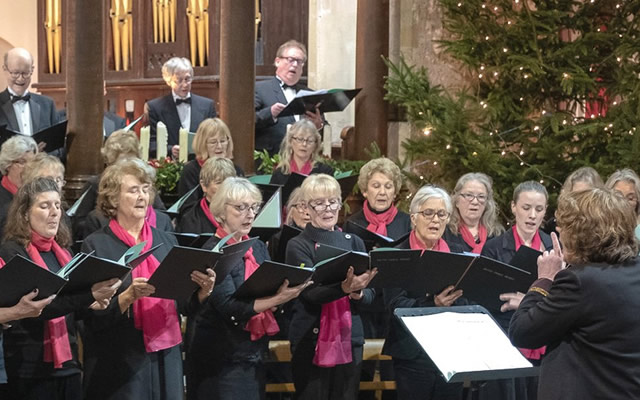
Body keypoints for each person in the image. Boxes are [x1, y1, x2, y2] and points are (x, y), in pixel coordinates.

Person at [80, 158, 215, 400]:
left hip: (166, 352)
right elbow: (88, 315)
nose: (142, 196)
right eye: (133, 190)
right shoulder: (97, 245)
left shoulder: (166, 240)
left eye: (145, 189)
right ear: (113, 198)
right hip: (120, 359)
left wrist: (202, 291)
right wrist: (128, 296)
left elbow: (181, 302)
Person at [509, 188, 640, 399]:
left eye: (565, 228)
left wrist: (545, 279)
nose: (560, 232)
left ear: (582, 234)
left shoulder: (580, 281)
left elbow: (522, 332)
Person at [187, 177, 309, 400]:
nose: (250, 214)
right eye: (241, 208)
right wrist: (276, 299)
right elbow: (230, 307)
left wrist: (279, 296)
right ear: (221, 212)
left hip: (253, 354)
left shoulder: (258, 247)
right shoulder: (213, 251)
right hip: (220, 358)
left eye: (254, 207)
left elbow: (265, 291)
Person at [0, 177, 120, 400]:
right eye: (44, 206)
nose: (54, 212)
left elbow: (72, 308)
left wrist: (94, 302)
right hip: (29, 367)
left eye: (57, 205)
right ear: (25, 213)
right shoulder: (13, 253)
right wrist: (88, 295)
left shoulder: (64, 252)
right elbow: (40, 308)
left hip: (69, 364)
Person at [285, 174, 378, 400]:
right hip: (310, 338)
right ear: (306, 207)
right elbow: (309, 293)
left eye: (333, 201)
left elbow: (372, 293)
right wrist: (344, 289)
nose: (328, 208)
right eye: (319, 203)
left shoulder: (354, 241)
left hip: (349, 338)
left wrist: (358, 292)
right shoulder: (297, 244)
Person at [382, 185, 466, 400]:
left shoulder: (459, 254)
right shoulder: (398, 255)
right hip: (412, 354)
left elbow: (468, 298)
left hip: (451, 353)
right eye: (428, 213)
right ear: (413, 217)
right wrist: (433, 304)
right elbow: (395, 305)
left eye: (441, 214)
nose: (435, 220)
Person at [481, 180, 553, 400]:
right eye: (526, 208)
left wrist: (529, 301)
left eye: (539, 210)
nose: (532, 215)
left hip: (545, 337)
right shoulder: (494, 247)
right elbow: (485, 296)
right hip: (505, 337)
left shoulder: (553, 247)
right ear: (513, 207)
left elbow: (565, 294)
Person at [72, 130, 170, 240]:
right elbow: (79, 224)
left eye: (131, 160)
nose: (127, 166)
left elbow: (160, 213)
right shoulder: (96, 184)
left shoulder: (143, 183)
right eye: (122, 161)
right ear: (110, 162)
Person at [254, 40, 323, 157]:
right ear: (277, 61)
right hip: (271, 159)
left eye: (299, 61)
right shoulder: (260, 89)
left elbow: (322, 129)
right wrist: (270, 113)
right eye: (291, 60)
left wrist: (318, 126)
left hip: (304, 160)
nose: (295, 64)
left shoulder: (310, 94)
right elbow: (247, 122)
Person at [147, 57, 217, 158]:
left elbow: (215, 137)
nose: (184, 85)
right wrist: (171, 149)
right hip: (171, 166)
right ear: (168, 81)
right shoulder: (155, 107)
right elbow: (150, 144)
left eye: (187, 79)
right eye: (179, 80)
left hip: (200, 166)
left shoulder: (207, 105)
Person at [177, 118, 243, 209]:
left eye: (223, 141)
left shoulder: (237, 170)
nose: (219, 146)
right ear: (203, 144)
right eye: (213, 142)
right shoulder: (191, 171)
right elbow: (187, 209)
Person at [346, 157, 411, 241]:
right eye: (376, 186)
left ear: (395, 193)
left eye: (388, 187)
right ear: (365, 191)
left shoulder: (407, 223)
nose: (382, 192)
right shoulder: (352, 224)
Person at [0, 48, 59, 141]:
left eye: (25, 73)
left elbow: (58, 146)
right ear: (5, 69)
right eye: (15, 73)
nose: (20, 78)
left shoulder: (47, 104)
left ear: (32, 70)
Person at [443, 172, 504, 253]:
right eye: (469, 195)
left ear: (487, 203)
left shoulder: (497, 234)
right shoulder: (445, 231)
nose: (475, 202)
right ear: (457, 201)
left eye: (481, 197)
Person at [177, 157, 237, 234]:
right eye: (219, 182)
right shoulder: (191, 219)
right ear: (204, 185)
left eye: (228, 182)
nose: (224, 187)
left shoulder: (242, 212)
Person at [270, 119, 333, 185]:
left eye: (310, 141)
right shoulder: (280, 172)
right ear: (290, 141)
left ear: (315, 145)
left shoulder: (325, 172)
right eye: (300, 139)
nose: (304, 144)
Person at [543, 167, 603, 234]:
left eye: (584, 196)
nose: (579, 201)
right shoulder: (554, 225)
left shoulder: (605, 226)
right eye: (574, 196)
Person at [0, 135, 38, 237]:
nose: (29, 167)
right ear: (8, 164)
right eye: (22, 162)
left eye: (32, 162)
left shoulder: (37, 194)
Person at [268, 187, 309, 262]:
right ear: (291, 211)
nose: (307, 213)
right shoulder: (277, 238)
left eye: (310, 207)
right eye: (302, 206)